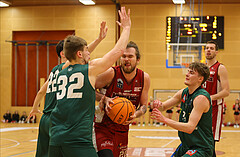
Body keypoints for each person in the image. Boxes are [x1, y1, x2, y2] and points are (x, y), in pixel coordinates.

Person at [49, 7, 131, 157]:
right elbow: (117, 53)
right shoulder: (89, 70)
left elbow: (74, 54)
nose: (89, 53)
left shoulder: (60, 71)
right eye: (87, 50)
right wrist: (126, 28)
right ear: (80, 53)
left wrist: (99, 39)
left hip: (55, 139)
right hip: (77, 141)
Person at [27, 21, 108, 157]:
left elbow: (41, 91)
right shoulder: (68, 70)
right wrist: (99, 40)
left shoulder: (54, 71)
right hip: (57, 120)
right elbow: (83, 53)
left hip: (45, 119)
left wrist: (34, 108)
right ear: (64, 54)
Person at [94, 40, 150, 157]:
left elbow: (144, 106)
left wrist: (136, 114)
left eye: (130, 56)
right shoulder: (111, 73)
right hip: (103, 128)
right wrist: (104, 98)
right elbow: (89, 89)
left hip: (123, 129)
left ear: (137, 59)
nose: (126, 59)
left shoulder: (144, 78)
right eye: (123, 56)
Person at [151, 62, 214, 157]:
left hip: (201, 148)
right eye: (188, 71)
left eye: (191, 73)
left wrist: (164, 120)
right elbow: (163, 107)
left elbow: (189, 128)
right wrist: (157, 104)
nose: (187, 74)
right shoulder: (183, 92)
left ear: (200, 79)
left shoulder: (201, 98)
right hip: (187, 145)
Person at [202, 40, 230, 156]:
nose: (208, 50)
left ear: (216, 52)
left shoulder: (220, 68)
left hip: (214, 109)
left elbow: (226, 91)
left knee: (210, 142)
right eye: (207, 48)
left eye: (211, 48)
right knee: (200, 141)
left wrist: (209, 97)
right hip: (200, 108)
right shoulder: (201, 68)